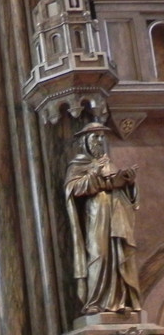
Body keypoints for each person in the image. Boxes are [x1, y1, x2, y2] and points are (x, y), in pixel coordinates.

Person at [64, 121, 141, 315]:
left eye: (101, 137)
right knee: (98, 254)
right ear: (85, 141)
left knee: (118, 253)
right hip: (95, 212)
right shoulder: (79, 164)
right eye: (95, 137)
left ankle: (120, 299)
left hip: (116, 212)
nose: (99, 141)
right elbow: (72, 189)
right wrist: (94, 173)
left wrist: (128, 182)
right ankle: (95, 300)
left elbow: (119, 185)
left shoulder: (109, 162)